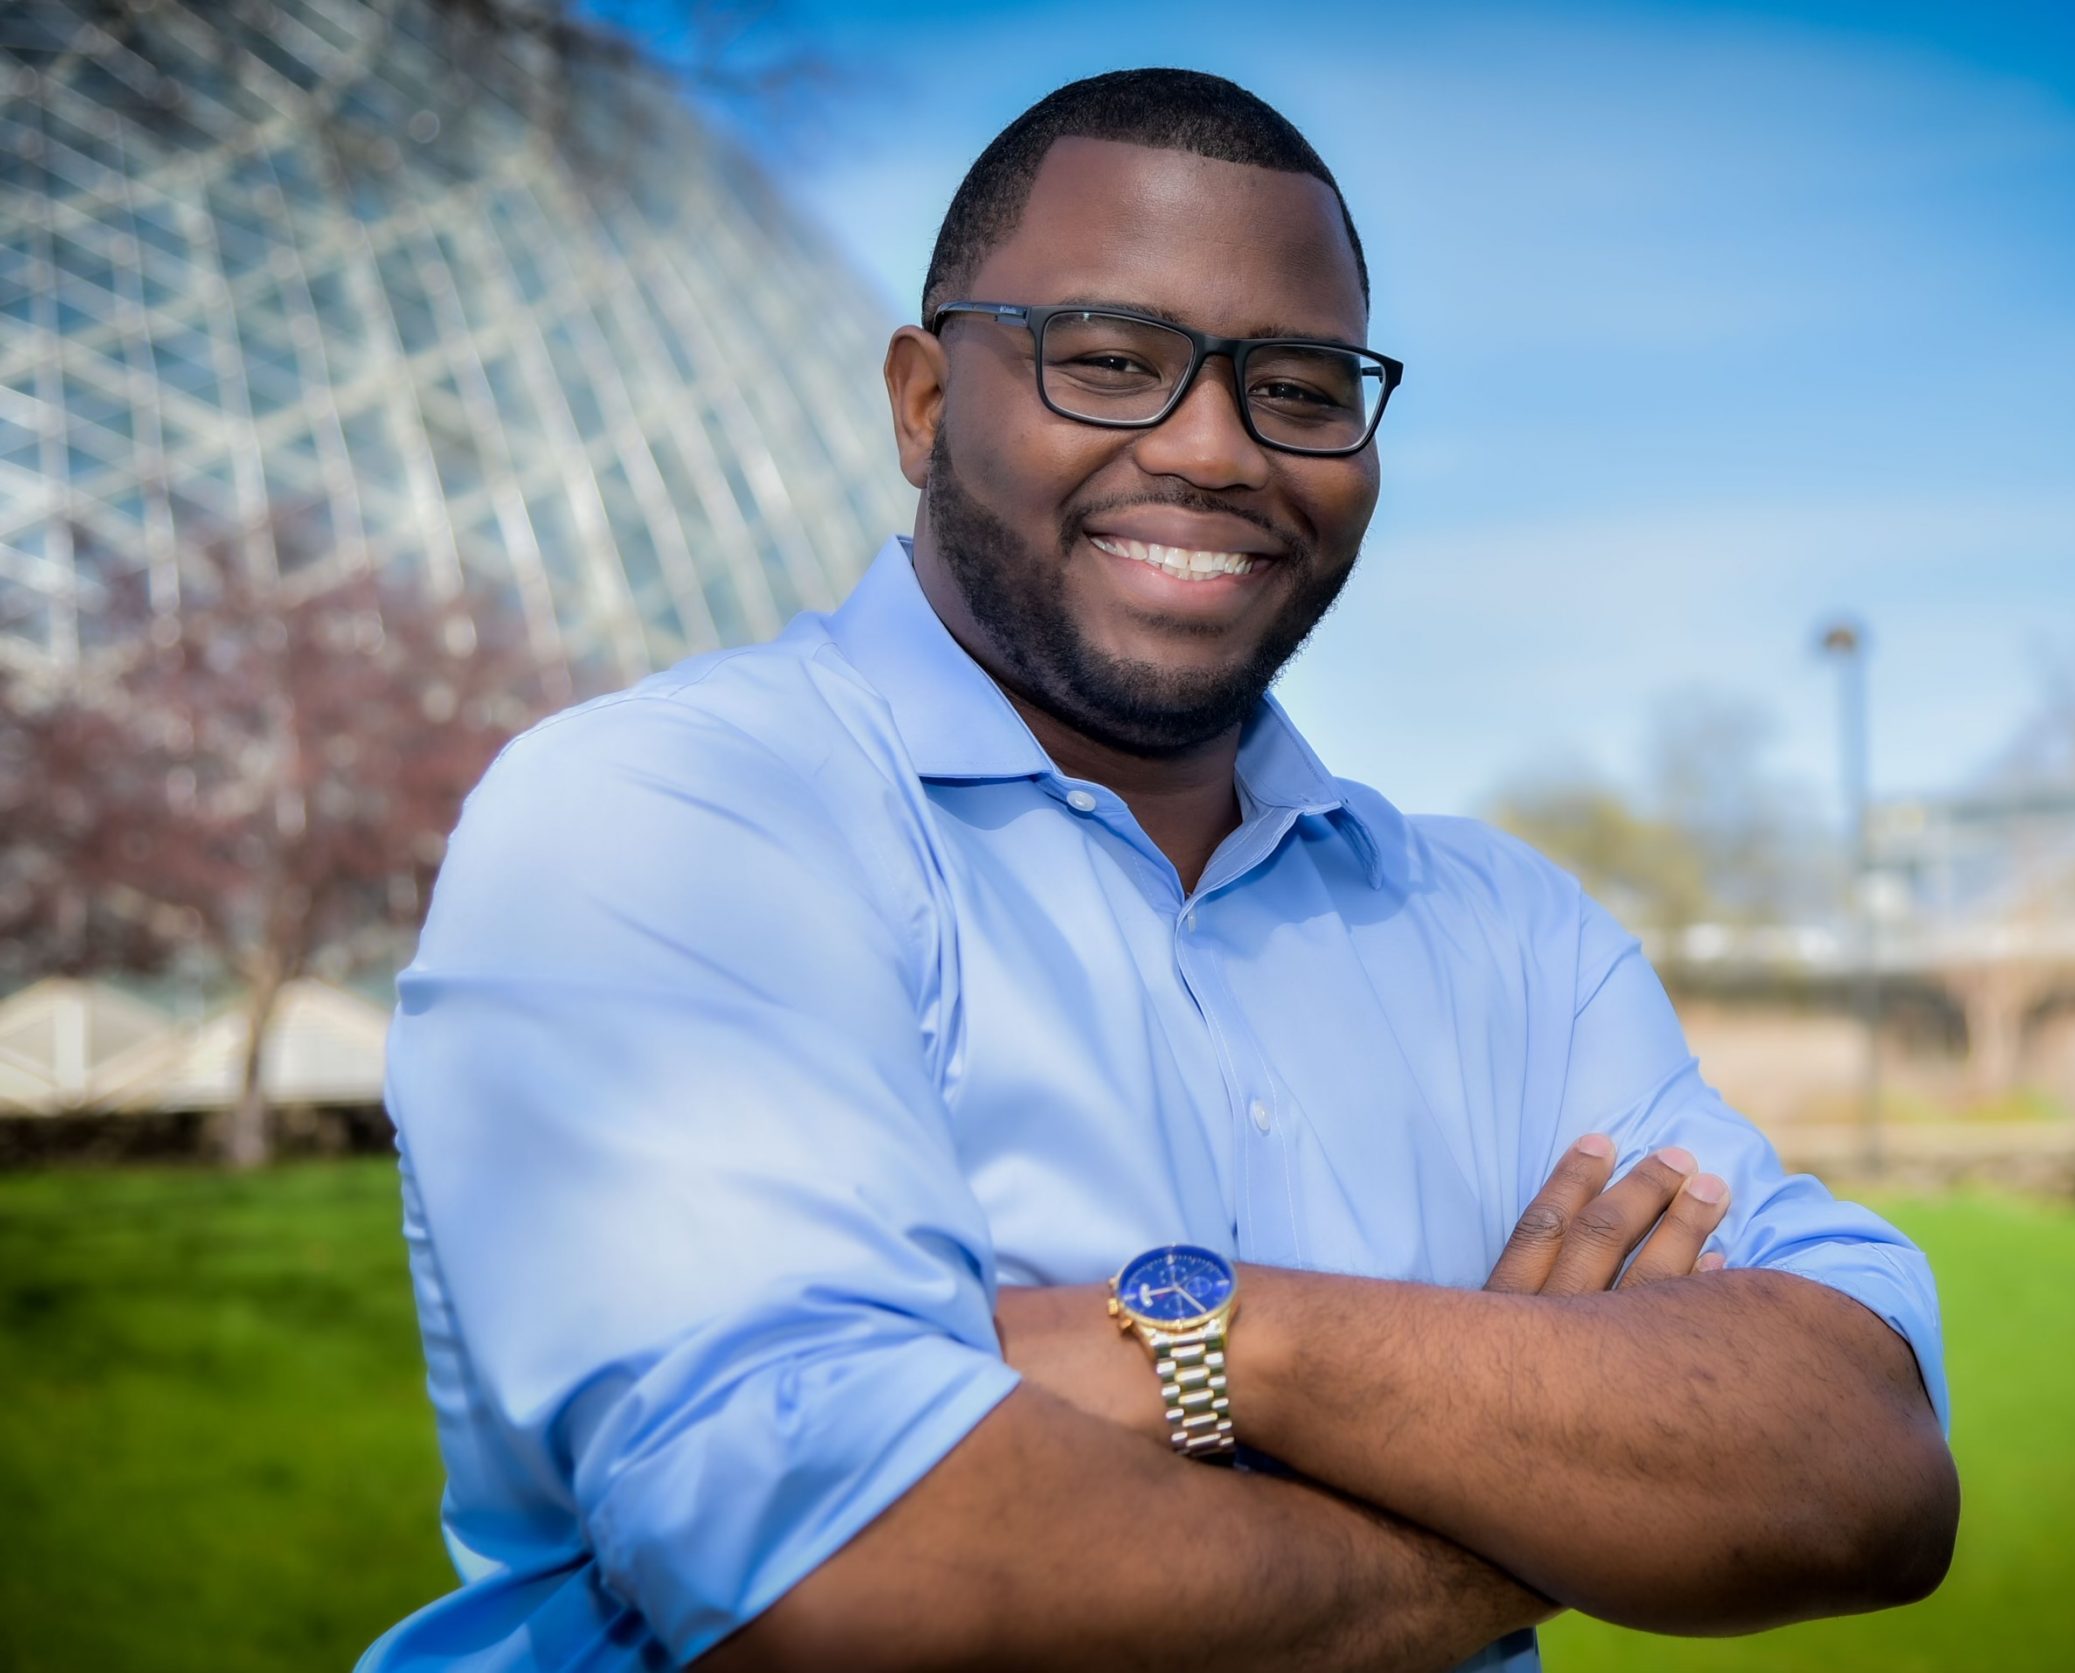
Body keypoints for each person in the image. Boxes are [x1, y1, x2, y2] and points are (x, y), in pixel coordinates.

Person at [364, 67, 1956, 1673]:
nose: (1214, 450)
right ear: (922, 402)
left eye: (1305, 387)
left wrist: (1216, 1338)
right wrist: (1539, 1474)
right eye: (1110, 361)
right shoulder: (678, 819)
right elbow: (869, 1575)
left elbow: (1866, 1468)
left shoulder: (1512, 939)